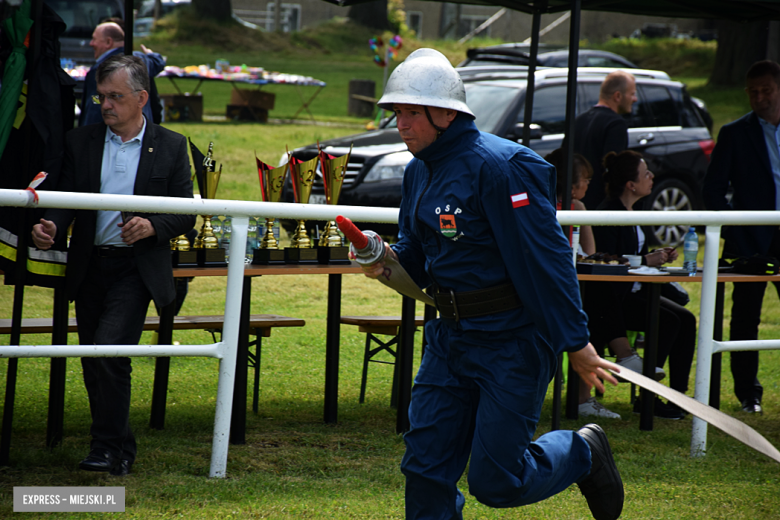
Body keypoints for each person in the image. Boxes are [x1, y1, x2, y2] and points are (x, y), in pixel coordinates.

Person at [356, 48, 624, 520]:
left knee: (497, 481)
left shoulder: (501, 167)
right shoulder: (419, 170)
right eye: (396, 112)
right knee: (425, 471)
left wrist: (575, 342)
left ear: (446, 113)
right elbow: (419, 254)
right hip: (448, 341)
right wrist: (387, 261)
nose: (401, 124)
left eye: (411, 112)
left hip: (512, 342)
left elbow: (545, 261)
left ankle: (583, 453)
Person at [31, 55, 195, 475]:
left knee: (108, 351)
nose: (105, 105)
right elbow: (65, 197)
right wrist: (50, 223)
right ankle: (119, 447)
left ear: (141, 98)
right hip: (88, 267)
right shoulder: (78, 141)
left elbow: (185, 215)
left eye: (115, 97)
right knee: (93, 357)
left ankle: (104, 449)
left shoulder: (174, 146)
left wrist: (152, 226)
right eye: (101, 96)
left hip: (136, 270)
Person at [586, 150, 696, 420]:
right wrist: (647, 258)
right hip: (612, 300)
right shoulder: (608, 215)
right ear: (631, 184)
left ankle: (678, 397)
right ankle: (648, 394)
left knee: (686, 319)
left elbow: (636, 258)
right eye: (646, 173)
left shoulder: (633, 212)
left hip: (634, 293)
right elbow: (607, 260)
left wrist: (659, 257)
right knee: (669, 321)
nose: (652, 177)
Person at [703, 60, 780, 415]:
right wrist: (735, 230)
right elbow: (713, 189)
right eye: (753, 92)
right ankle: (749, 394)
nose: (760, 98)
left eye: (767, 90)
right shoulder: (734, 133)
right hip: (752, 242)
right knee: (746, 319)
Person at [79, 21, 165, 127]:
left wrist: (85, 136)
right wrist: (151, 54)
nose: (91, 43)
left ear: (108, 42)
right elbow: (158, 62)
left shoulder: (100, 70)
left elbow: (94, 107)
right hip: (143, 132)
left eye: (94, 39)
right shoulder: (142, 60)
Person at [573, 70, 637, 210]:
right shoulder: (615, 124)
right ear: (618, 96)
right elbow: (615, 171)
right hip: (601, 207)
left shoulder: (579, 120)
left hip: (575, 202)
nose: (635, 99)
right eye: (632, 94)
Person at [545, 148, 596, 256]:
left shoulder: (541, 204)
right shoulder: (571, 210)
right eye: (586, 180)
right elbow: (590, 253)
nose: (587, 184)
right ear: (572, 187)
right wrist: (581, 209)